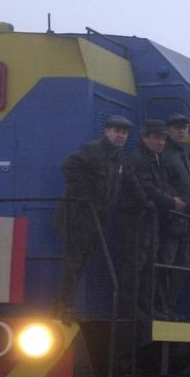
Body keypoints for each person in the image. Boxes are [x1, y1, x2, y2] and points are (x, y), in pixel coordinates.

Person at [59, 116, 138, 310]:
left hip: (96, 218)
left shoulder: (120, 158)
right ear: (107, 132)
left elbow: (132, 182)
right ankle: (64, 305)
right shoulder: (93, 150)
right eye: (117, 131)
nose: (121, 135)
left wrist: (147, 202)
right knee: (75, 261)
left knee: (83, 260)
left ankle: (67, 303)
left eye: (124, 132)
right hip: (78, 215)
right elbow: (68, 165)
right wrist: (85, 194)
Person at [129, 118, 186, 317]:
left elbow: (159, 186)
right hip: (138, 222)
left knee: (149, 267)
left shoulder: (155, 158)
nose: (161, 142)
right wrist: (171, 202)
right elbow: (148, 188)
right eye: (156, 138)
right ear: (145, 138)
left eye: (163, 138)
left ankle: (147, 308)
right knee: (138, 266)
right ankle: (133, 308)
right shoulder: (140, 159)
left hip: (150, 222)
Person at [159, 114, 190, 318]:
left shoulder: (183, 155)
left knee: (181, 268)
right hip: (171, 220)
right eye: (177, 127)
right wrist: (172, 202)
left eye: (184, 127)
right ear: (168, 130)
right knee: (165, 265)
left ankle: (169, 307)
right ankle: (161, 307)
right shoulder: (166, 155)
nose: (182, 131)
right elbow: (161, 183)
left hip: (185, 223)